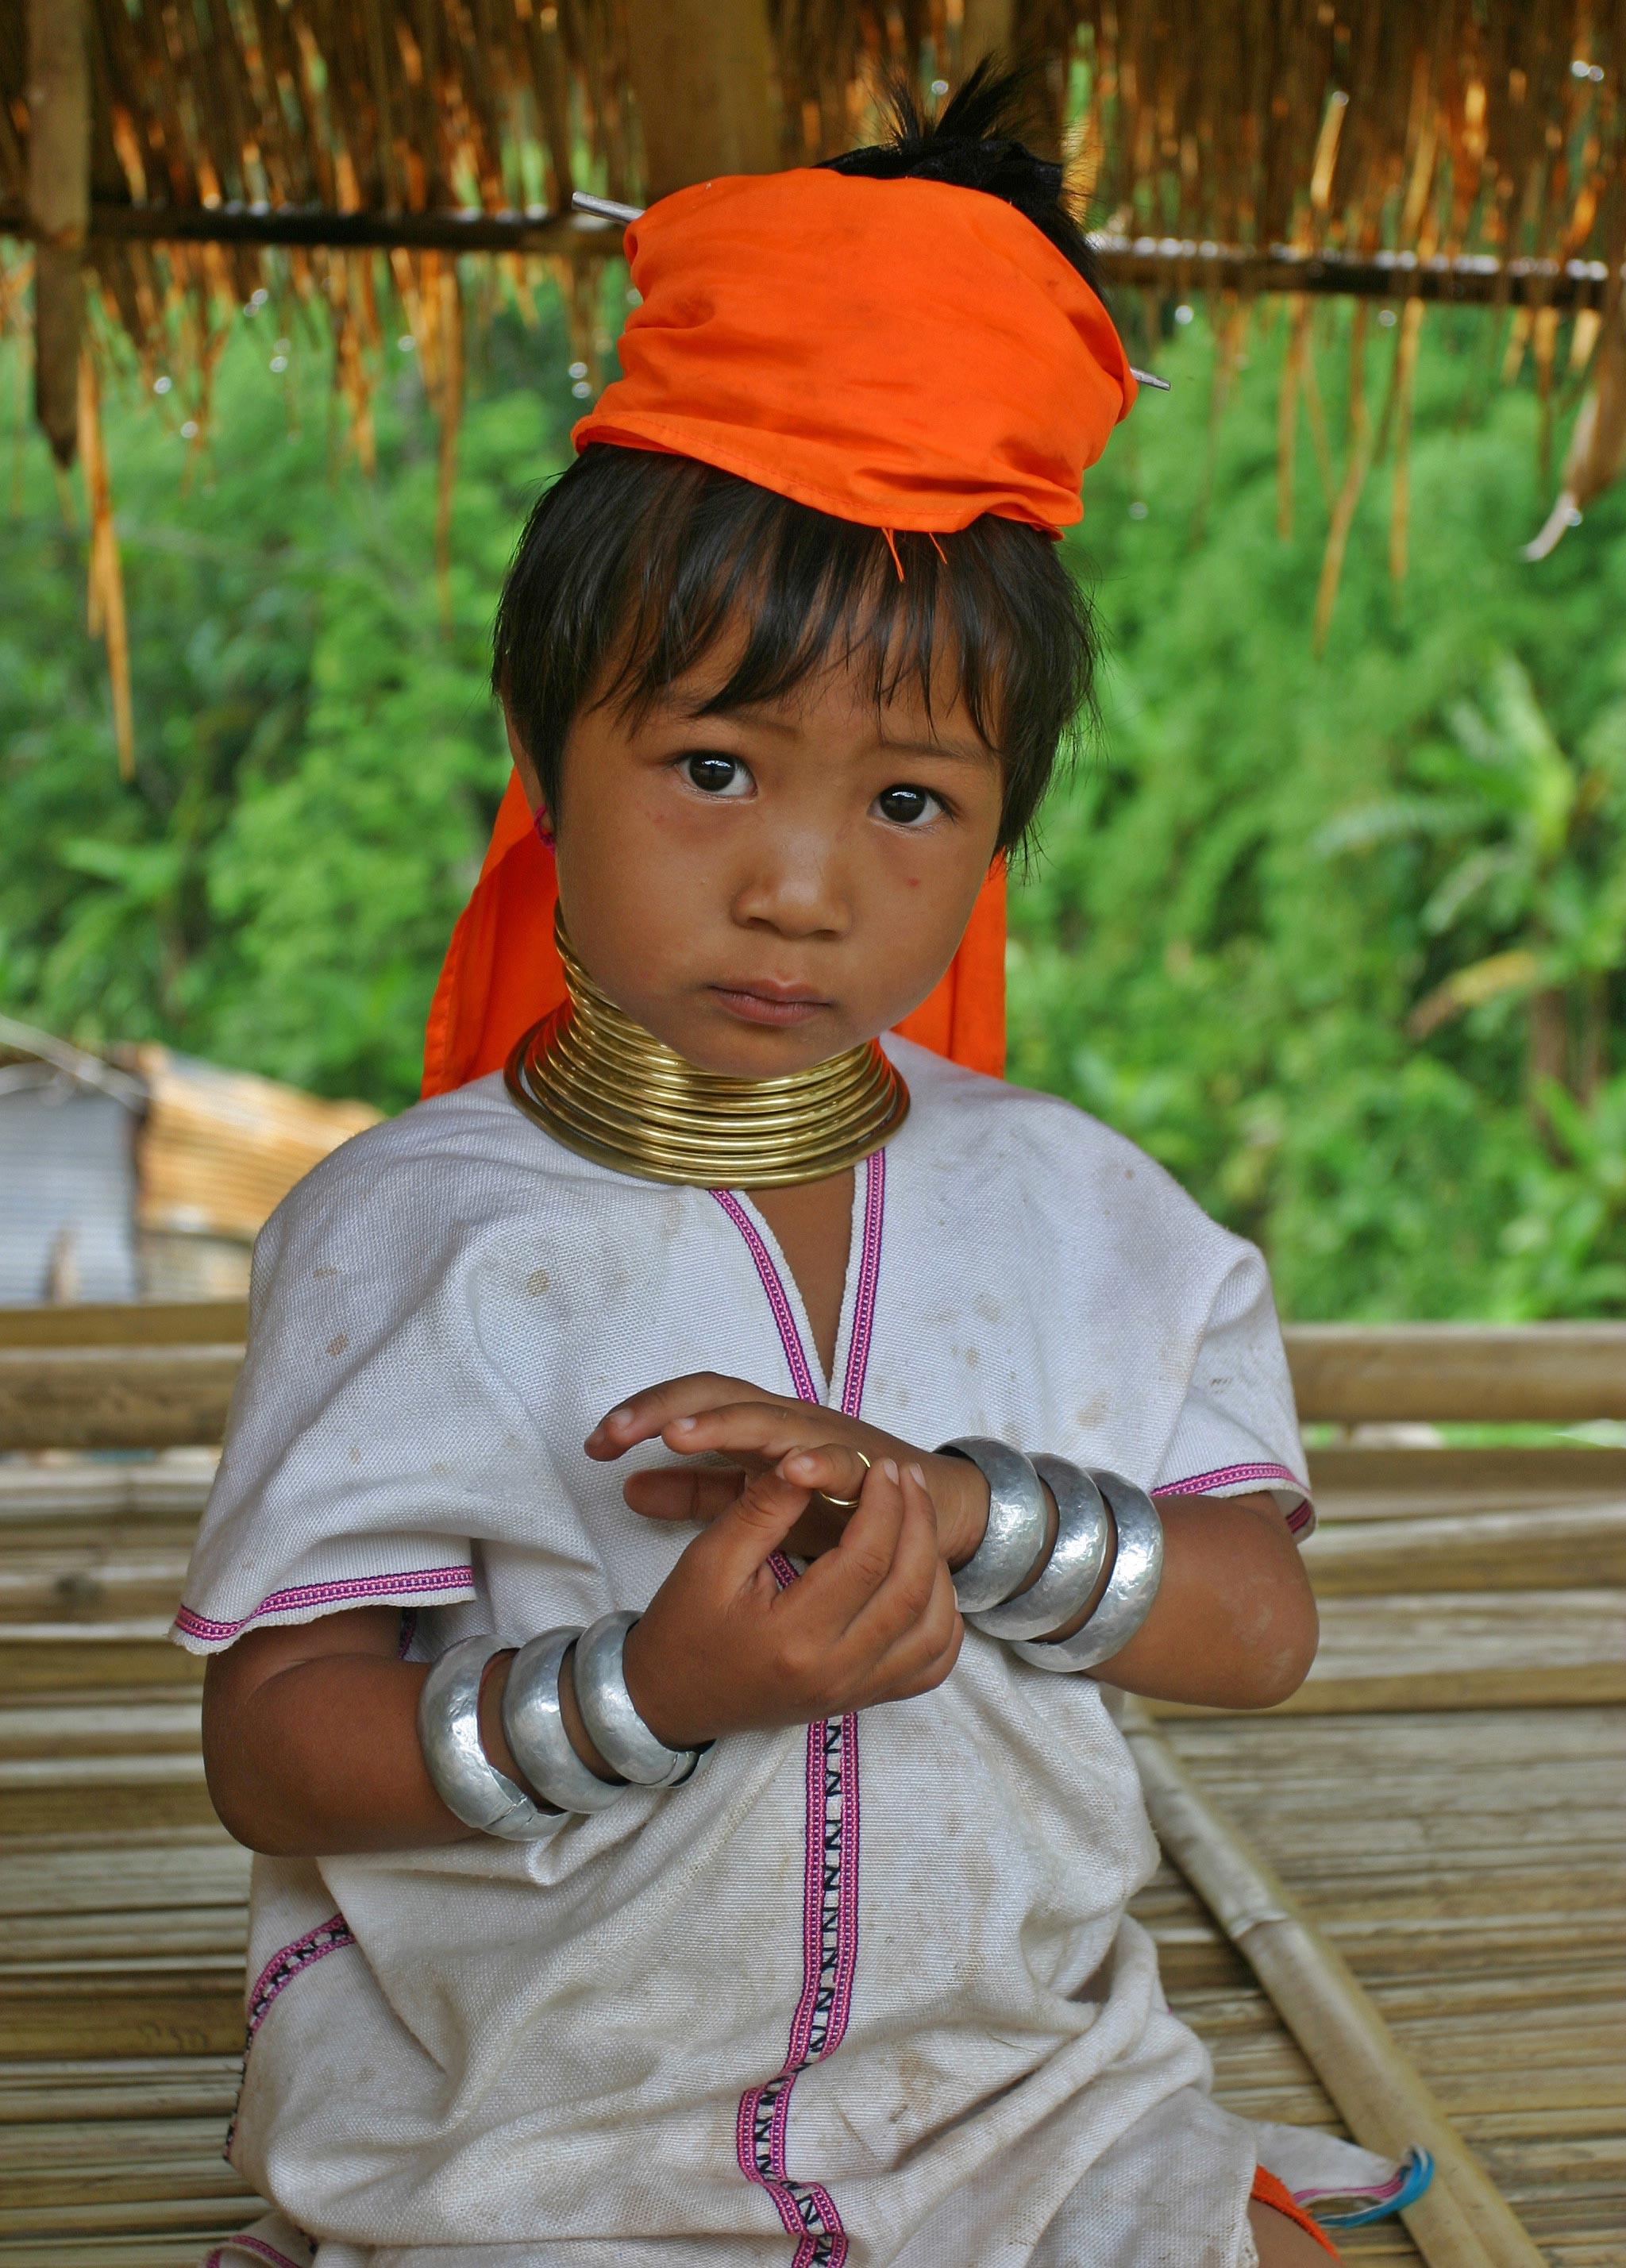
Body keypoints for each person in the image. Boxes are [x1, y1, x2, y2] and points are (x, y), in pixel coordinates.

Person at [179, 69, 1429, 2268]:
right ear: (547, 766)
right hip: (535, 2127)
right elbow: (279, 1749)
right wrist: (649, 1696)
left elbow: (1259, 1628)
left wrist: (960, 1512)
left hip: (1023, 2103)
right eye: (717, 763)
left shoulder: (1092, 1222)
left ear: (1003, 829)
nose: (797, 886)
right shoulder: (410, 1236)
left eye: (912, 802)